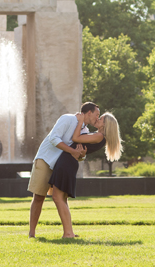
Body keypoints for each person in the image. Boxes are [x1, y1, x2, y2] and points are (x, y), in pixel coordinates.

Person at [27, 102, 100, 238]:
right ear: (89, 113)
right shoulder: (68, 119)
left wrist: (82, 156)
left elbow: (78, 155)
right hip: (46, 159)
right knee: (38, 196)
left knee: (62, 198)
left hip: (60, 165)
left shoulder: (84, 131)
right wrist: (73, 151)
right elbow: (53, 138)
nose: (98, 118)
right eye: (97, 114)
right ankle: (32, 233)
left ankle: (68, 232)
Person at [48, 111, 122, 238]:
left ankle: (68, 233)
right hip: (68, 161)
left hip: (67, 162)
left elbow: (75, 138)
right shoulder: (99, 136)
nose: (98, 119)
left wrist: (81, 121)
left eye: (101, 118)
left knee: (57, 197)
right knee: (61, 198)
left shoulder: (99, 136)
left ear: (105, 125)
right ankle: (69, 231)